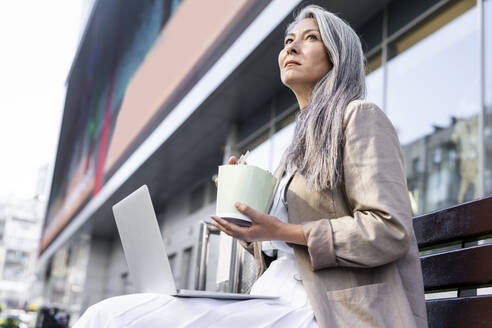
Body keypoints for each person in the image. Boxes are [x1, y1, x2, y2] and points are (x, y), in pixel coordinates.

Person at [74, 5, 427, 328]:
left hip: (326, 308)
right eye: (288, 40)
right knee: (112, 315)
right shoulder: (295, 152)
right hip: (273, 297)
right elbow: (280, 246)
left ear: (337, 57)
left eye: (310, 38)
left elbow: (389, 229)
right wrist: (247, 226)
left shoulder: (359, 117)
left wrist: (280, 231)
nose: (291, 48)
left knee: (109, 317)